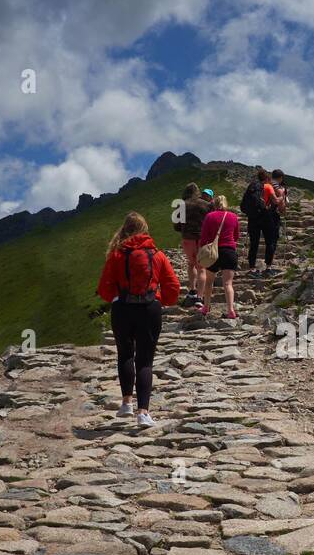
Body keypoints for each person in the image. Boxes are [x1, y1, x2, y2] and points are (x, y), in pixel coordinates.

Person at [96, 212, 180, 427]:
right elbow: (172, 287)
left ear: (125, 229)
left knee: (125, 354)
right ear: (145, 229)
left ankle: (126, 403)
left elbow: (104, 288)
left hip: (122, 308)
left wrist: (117, 297)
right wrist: (160, 299)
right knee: (145, 361)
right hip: (149, 309)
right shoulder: (157, 254)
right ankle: (143, 412)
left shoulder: (116, 254)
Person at [198, 194, 239, 319]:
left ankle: (206, 307)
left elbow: (204, 237)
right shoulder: (233, 217)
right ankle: (231, 310)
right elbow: (236, 236)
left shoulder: (209, 216)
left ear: (214, 204)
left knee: (209, 282)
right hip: (229, 251)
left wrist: (201, 250)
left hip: (213, 253)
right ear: (226, 204)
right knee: (228, 283)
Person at [171, 182, 211, 305]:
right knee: (201, 268)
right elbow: (212, 221)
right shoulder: (206, 205)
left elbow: (176, 226)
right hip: (202, 238)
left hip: (187, 239)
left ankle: (192, 290)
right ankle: (200, 298)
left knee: (191, 264)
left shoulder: (181, 205)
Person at [240, 167, 281, 275]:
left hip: (253, 218)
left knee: (254, 243)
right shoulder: (268, 186)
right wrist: (281, 196)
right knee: (270, 242)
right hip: (265, 216)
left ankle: (252, 269)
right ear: (267, 178)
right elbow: (275, 201)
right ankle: (268, 267)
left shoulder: (252, 187)